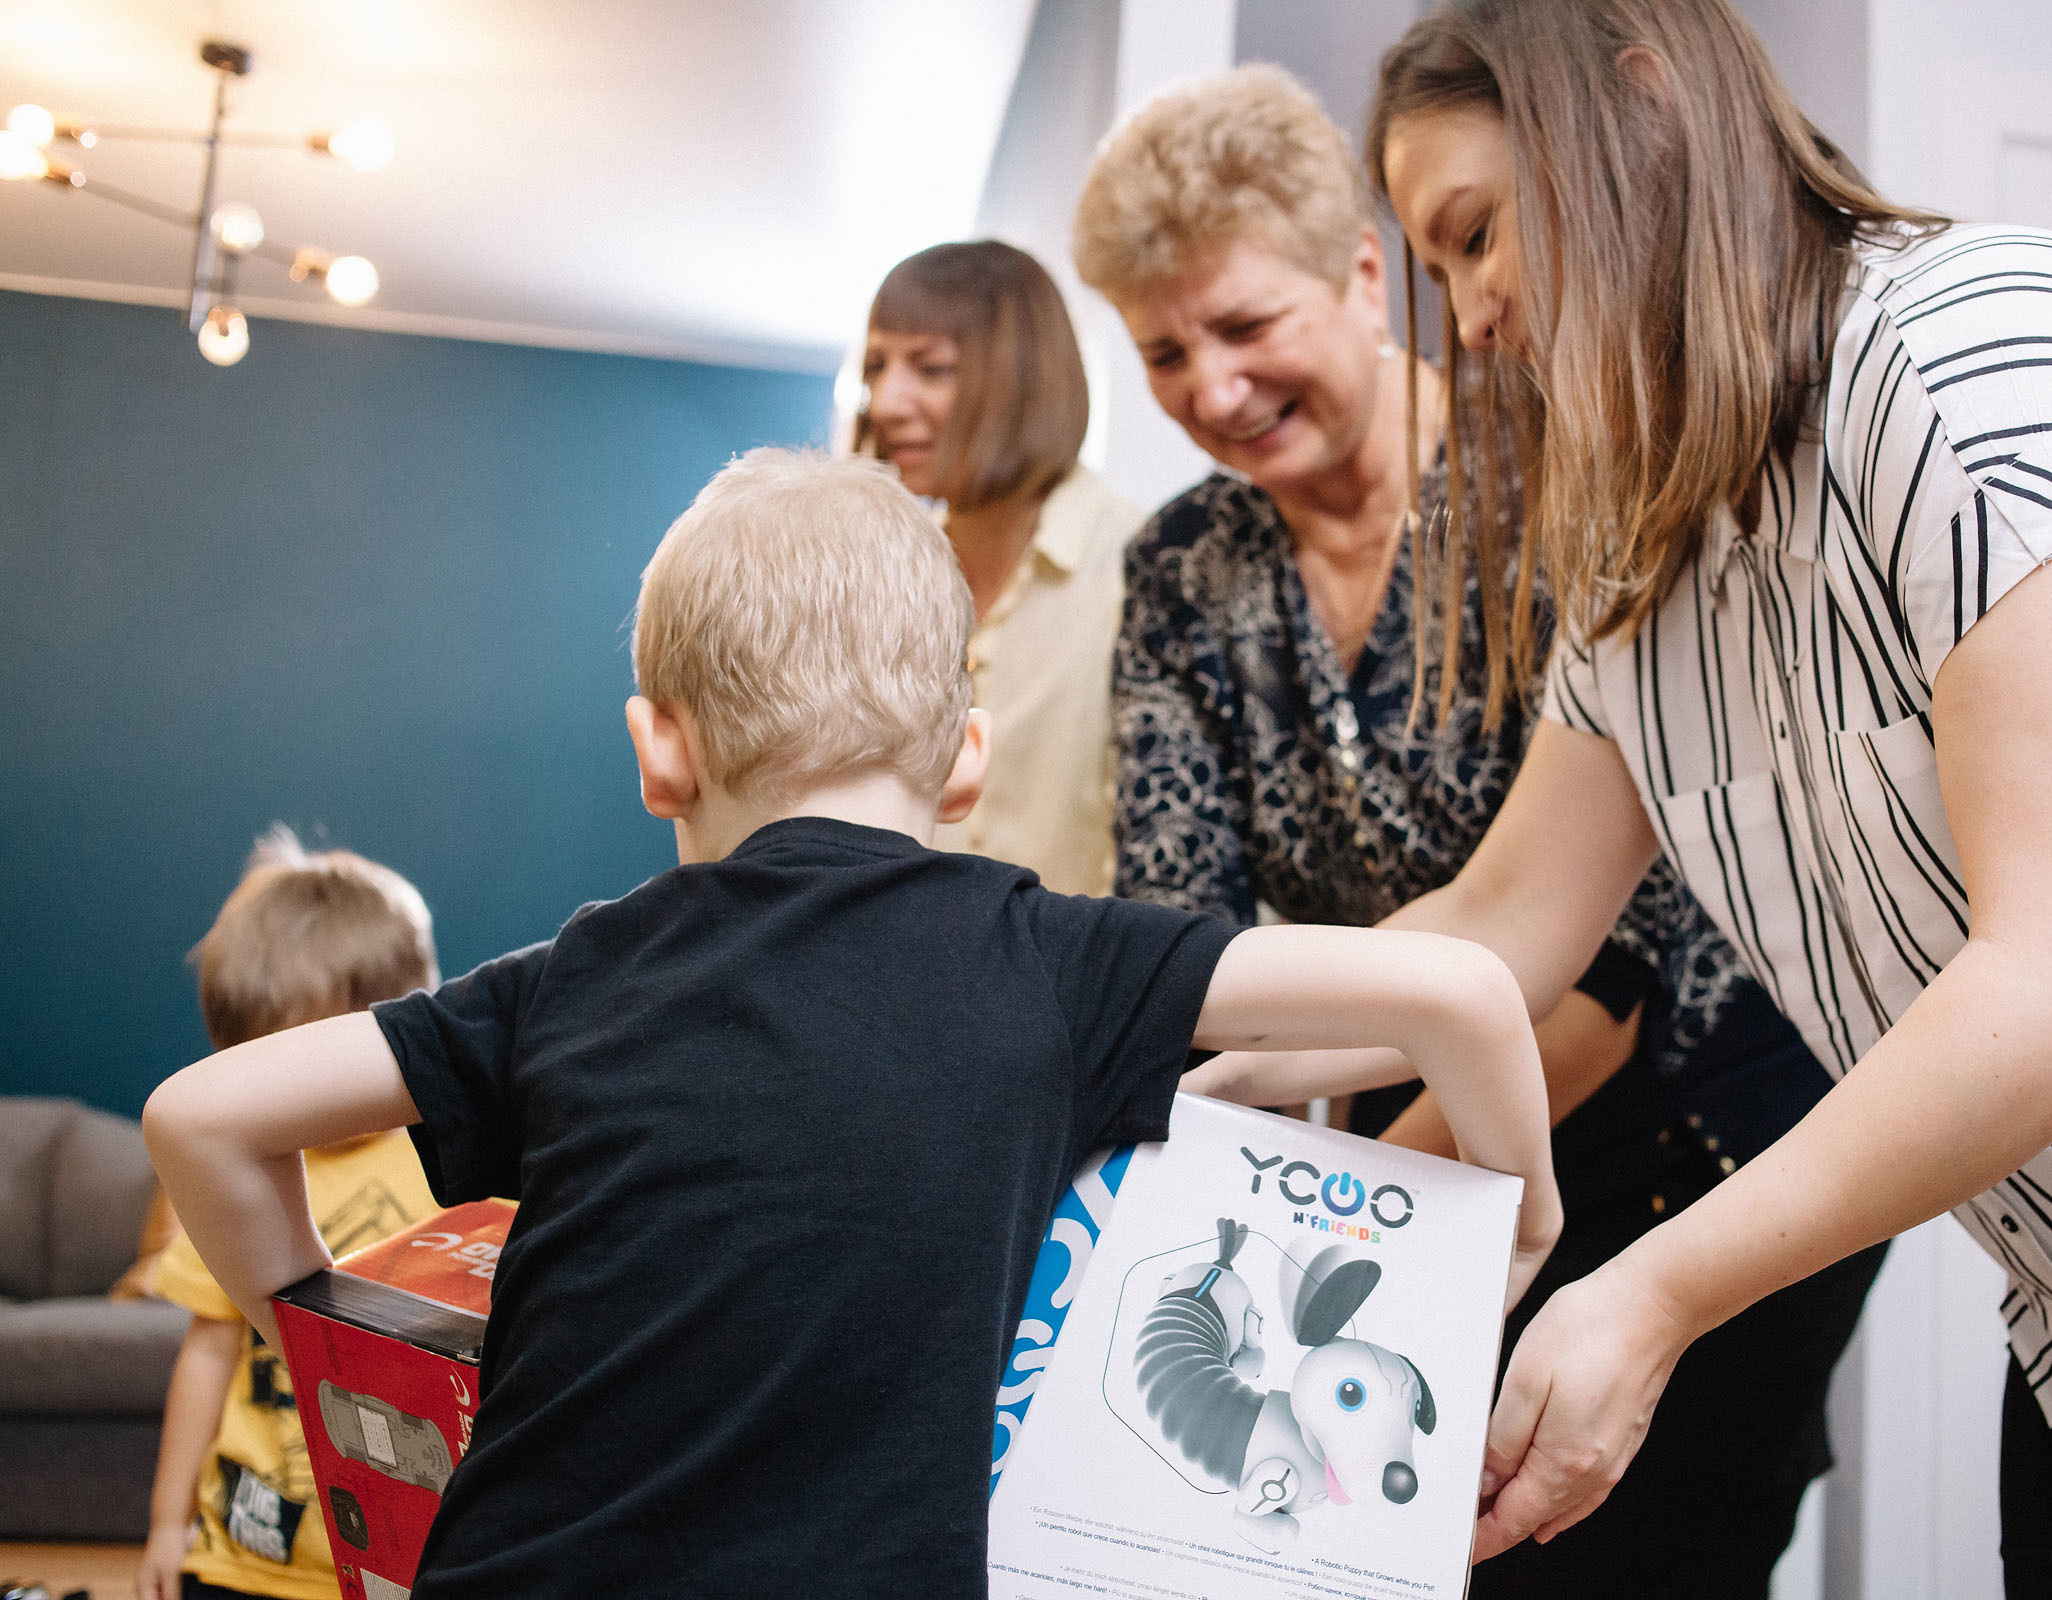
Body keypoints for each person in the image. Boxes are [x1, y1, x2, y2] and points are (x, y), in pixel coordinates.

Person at [1265, 1, 2052, 1592]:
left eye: (1476, 234)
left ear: (1645, 114)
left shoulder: (1969, 355)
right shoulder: (1639, 564)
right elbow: (1505, 919)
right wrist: (1175, 1049)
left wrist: (1651, 1294)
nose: (1475, 317)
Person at [142, 449, 1562, 1597]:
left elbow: (198, 1116)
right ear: (967, 766)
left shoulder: (570, 977)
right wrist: (1525, 1223)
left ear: (658, 750)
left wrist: (316, 1323)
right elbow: (1464, 993)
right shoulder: (1053, 960)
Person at [1076, 63, 1881, 1595]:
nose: (1209, 387)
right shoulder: (1186, 568)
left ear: (1366, 275)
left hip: (1686, 1126)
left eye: (1246, 327)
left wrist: (1362, 1224)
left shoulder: (1569, 467)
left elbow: (1608, 966)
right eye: (1164, 350)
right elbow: (1191, 936)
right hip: (1419, 1145)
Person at [139, 828, 441, 1600]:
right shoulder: (231, 1173)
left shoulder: (451, 1160)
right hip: (249, 1552)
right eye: (258, 1068)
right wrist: (168, 1524)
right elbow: (207, 1356)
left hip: (415, 1552)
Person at [857, 240, 1142, 895]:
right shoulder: (879, 577)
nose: (886, 401)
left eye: (929, 368)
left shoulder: (1140, 564)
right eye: (877, 366)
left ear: (1021, 378)